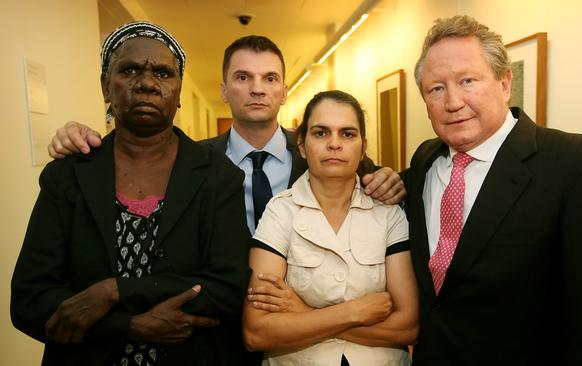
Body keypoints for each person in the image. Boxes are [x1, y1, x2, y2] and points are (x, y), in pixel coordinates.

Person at [403, 15, 582, 364]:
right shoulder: (425, 162)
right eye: (436, 88)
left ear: (504, 82)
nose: (452, 101)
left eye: (467, 80)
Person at [11, 21, 251, 365]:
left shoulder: (218, 176)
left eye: (164, 74)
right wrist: (131, 325)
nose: (147, 84)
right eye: (130, 70)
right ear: (106, 86)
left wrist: (114, 291)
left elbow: (227, 289)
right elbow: (30, 302)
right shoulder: (66, 176)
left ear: (179, 92)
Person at [48, 35, 405, 235]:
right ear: (223, 90)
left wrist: (392, 182)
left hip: (305, 316)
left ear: (283, 91)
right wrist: (74, 135)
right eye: (242, 77)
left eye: (269, 78)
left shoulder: (319, 150)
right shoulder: (190, 160)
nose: (257, 89)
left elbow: (379, 185)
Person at [243, 90, 418, 366]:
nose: (334, 144)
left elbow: (408, 326)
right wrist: (354, 312)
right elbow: (257, 332)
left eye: (347, 134)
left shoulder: (389, 214)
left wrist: (304, 313)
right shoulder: (280, 211)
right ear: (301, 145)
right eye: (321, 133)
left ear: (363, 147)